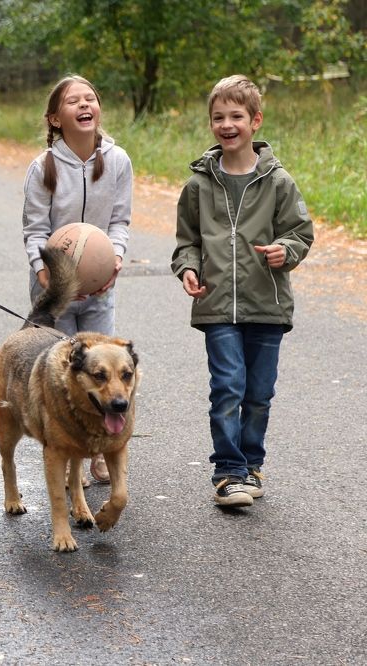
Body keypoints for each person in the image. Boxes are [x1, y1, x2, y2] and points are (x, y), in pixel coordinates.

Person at [170, 74, 314, 507]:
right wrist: (188, 268)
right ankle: (228, 472)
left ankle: (251, 465)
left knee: (258, 395)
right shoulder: (198, 185)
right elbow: (187, 241)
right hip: (216, 304)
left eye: (236, 116)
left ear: (256, 121)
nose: (227, 125)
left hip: (267, 305)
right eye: (218, 117)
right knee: (227, 387)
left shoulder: (278, 181)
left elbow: (300, 232)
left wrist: (285, 250)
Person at [21, 75, 132, 487]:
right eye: (73, 101)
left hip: (101, 287)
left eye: (90, 98)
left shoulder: (118, 161)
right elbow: (35, 229)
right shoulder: (43, 167)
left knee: (103, 372)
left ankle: (100, 451)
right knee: (62, 375)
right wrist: (44, 274)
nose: (84, 104)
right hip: (55, 290)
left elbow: (120, 220)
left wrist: (114, 260)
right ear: (55, 118)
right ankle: (70, 458)